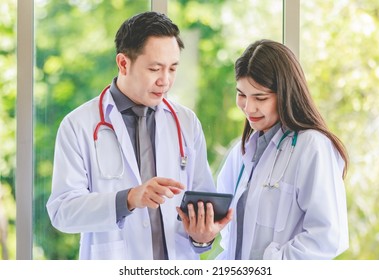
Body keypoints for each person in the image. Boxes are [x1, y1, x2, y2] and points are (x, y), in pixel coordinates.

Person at [46, 11, 231, 260]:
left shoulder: (186, 122)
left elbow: (200, 205)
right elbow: (62, 212)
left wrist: (202, 236)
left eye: (172, 69)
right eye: (155, 69)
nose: (165, 81)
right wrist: (130, 199)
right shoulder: (79, 124)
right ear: (123, 63)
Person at [216, 39, 349, 260]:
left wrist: (274, 265)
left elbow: (326, 237)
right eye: (241, 94)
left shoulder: (312, 147)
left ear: (286, 94)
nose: (248, 108)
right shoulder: (240, 154)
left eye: (260, 97)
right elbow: (230, 237)